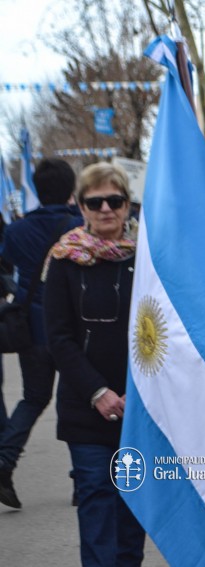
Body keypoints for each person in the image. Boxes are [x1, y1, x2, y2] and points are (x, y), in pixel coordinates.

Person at [42, 162, 145, 566]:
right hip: (86, 410)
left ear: (127, 205)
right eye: (95, 201)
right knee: (97, 501)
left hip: (141, 410)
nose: (106, 209)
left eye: (114, 200)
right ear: (81, 206)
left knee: (131, 507)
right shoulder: (64, 259)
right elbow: (59, 337)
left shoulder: (149, 258)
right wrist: (98, 392)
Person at [0, 158, 82, 509]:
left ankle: (4, 460)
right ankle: (84, 478)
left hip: (31, 328)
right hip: (75, 327)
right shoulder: (80, 226)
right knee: (80, 400)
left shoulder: (15, 231)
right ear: (70, 190)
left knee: (33, 398)